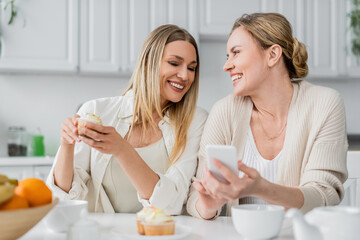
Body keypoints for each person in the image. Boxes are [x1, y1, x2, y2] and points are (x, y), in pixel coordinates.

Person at [186, 13, 348, 219]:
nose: (226, 66)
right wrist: (208, 206)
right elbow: (195, 198)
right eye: (228, 56)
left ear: (272, 55)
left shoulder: (324, 104)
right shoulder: (224, 111)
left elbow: (324, 195)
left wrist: (261, 188)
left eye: (236, 52)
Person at [47, 24, 207, 214]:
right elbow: (63, 197)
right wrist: (67, 144)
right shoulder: (97, 110)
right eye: (174, 63)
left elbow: (172, 202)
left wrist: (123, 150)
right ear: (148, 62)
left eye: (191, 68)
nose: (185, 75)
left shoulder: (195, 121)